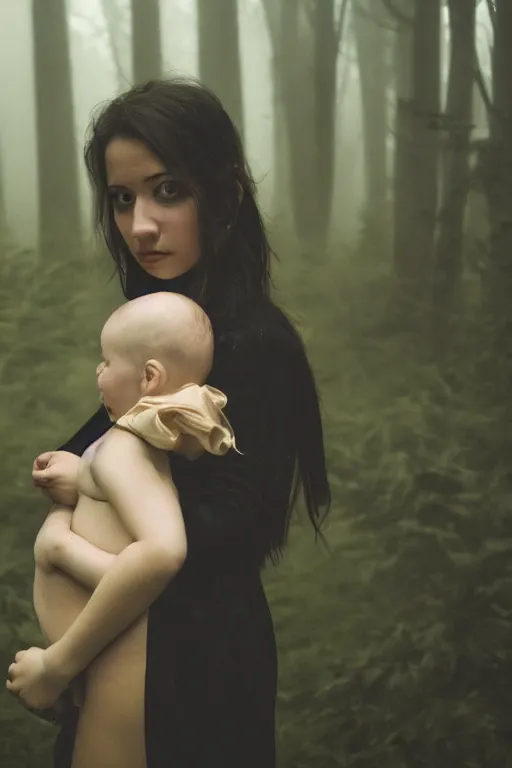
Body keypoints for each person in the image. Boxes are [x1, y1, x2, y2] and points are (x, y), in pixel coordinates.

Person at [12, 77, 330, 768]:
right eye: (122, 199)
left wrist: (86, 512)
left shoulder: (252, 345)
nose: (140, 226)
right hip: (118, 656)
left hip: (196, 669)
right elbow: (93, 455)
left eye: (167, 191)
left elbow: (237, 524)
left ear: (226, 196)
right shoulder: (161, 337)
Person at [7, 291, 237, 768]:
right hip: (104, 663)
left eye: (106, 360)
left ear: (149, 377)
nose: (98, 371)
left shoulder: (125, 450)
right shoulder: (131, 444)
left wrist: (61, 551)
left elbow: (163, 552)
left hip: (114, 667)